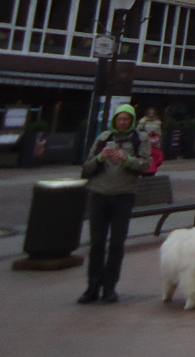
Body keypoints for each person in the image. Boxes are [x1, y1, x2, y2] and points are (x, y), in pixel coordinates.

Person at [78, 104, 151, 304]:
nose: (122, 123)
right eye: (119, 119)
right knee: (97, 243)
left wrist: (126, 159)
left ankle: (109, 287)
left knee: (117, 243)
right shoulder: (104, 138)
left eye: (126, 119)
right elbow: (86, 167)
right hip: (99, 193)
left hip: (123, 195)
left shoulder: (139, 139)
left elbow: (145, 165)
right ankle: (92, 286)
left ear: (132, 121)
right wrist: (100, 157)